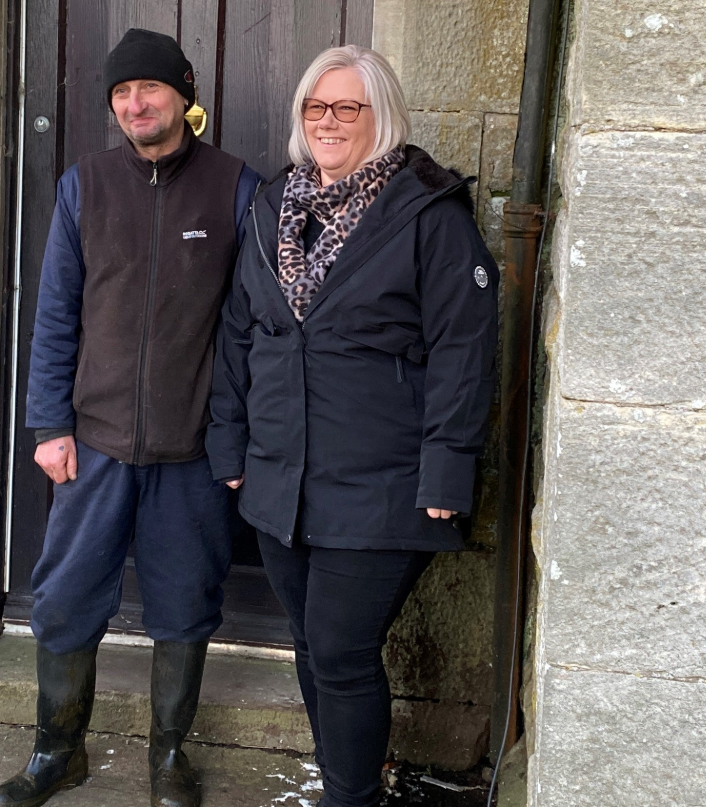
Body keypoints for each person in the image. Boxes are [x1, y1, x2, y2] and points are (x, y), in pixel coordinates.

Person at [206, 46, 498, 807]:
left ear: (381, 117)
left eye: (347, 108)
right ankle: (345, 779)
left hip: (383, 483)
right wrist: (229, 442)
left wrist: (447, 470)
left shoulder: (428, 214)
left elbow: (465, 351)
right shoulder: (274, 206)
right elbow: (239, 333)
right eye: (315, 107)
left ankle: (350, 798)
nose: (328, 122)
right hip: (279, 476)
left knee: (339, 649)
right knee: (310, 647)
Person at [0, 28, 261, 807]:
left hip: (194, 451)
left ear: (184, 93)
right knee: (66, 598)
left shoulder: (238, 188)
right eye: (120, 95)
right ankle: (57, 753)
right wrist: (49, 427)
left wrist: (232, 438)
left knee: (185, 603)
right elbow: (55, 317)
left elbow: (248, 332)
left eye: (147, 89)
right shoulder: (86, 186)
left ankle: (168, 757)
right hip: (94, 442)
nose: (134, 104)